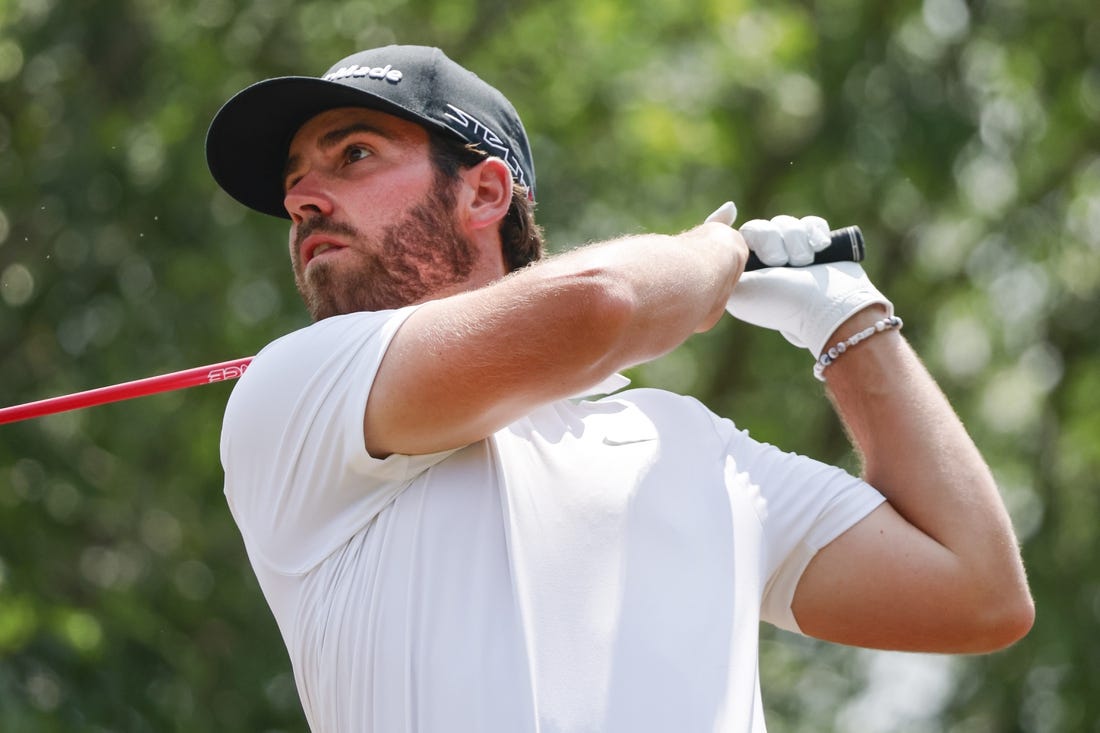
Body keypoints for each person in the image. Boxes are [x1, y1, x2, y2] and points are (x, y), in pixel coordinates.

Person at [207, 45, 1033, 733]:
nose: (301, 198)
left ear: (485, 192)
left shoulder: (691, 444)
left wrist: (849, 322)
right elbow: (599, 305)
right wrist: (713, 254)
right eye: (295, 182)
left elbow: (979, 590)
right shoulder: (297, 389)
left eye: (353, 154)